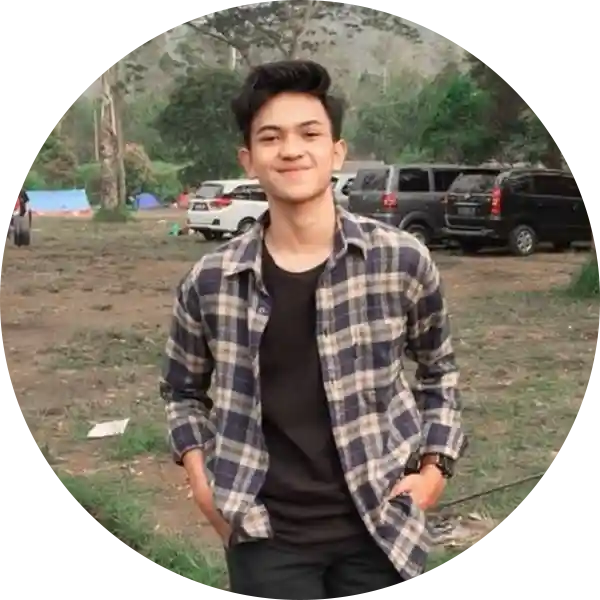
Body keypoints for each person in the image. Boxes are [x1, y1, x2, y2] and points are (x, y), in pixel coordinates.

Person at [161, 60, 466, 599]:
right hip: (266, 534)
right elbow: (181, 392)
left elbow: (439, 371)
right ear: (248, 159)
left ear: (337, 152)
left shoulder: (401, 260)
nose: (291, 150)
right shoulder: (210, 280)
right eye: (270, 137)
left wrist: (435, 467)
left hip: (381, 523)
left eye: (309, 133)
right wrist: (202, 482)